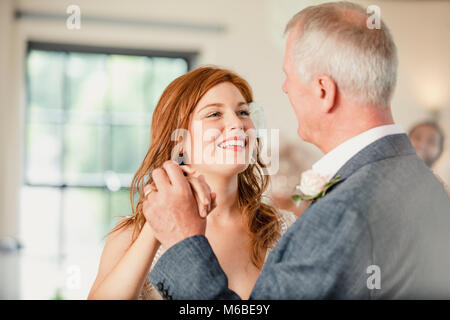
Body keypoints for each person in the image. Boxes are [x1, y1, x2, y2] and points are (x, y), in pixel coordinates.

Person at [144, 1, 450, 299]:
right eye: (214, 114)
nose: (285, 88)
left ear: (323, 91)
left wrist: (184, 241)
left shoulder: (339, 216)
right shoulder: (424, 183)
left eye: (288, 75)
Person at [88, 67, 296, 300]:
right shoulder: (131, 236)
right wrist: (155, 226)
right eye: (214, 114)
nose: (238, 125)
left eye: (243, 112)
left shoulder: (283, 227)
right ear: (180, 141)